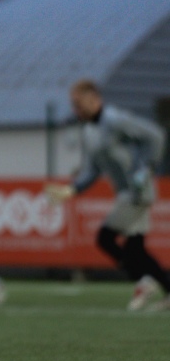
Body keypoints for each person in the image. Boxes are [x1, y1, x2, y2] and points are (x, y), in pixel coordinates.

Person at [47, 79, 169, 312]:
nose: (75, 110)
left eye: (78, 104)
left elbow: (155, 136)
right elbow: (93, 169)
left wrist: (145, 168)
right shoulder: (89, 131)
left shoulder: (115, 120)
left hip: (136, 192)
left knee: (105, 238)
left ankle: (144, 280)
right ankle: (159, 285)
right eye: (73, 105)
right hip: (125, 193)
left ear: (94, 100)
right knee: (136, 250)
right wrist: (72, 189)